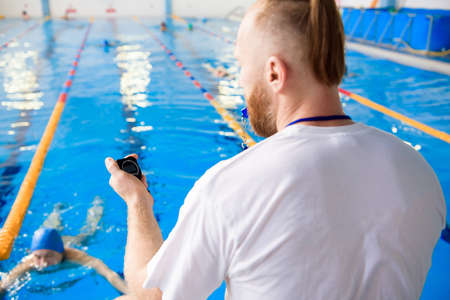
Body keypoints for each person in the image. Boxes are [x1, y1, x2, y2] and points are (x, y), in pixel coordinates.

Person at [105, 0, 446, 299]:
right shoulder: (418, 171)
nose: (239, 81)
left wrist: (138, 203)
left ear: (273, 72)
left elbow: (153, 293)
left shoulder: (231, 186)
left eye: (241, 66)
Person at [0, 198, 128, 296]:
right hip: (48, 242)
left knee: (88, 234)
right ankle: (56, 211)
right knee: (49, 227)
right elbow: (5, 284)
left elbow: (106, 272)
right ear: (31, 253)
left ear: (62, 252)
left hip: (71, 241)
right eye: (38, 257)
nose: (43, 263)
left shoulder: (75, 255)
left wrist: (128, 291)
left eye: (49, 256)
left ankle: (97, 205)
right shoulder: (29, 263)